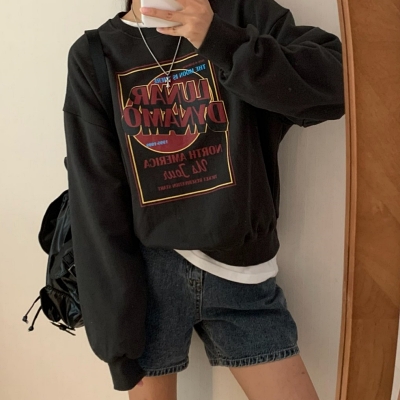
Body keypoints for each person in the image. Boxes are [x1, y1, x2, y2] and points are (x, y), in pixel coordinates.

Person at [63, 0, 344, 398]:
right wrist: (116, 339)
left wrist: (221, 41)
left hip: (242, 272)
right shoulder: (96, 53)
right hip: (146, 281)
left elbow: (338, 86)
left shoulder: (241, 15)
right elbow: (96, 198)